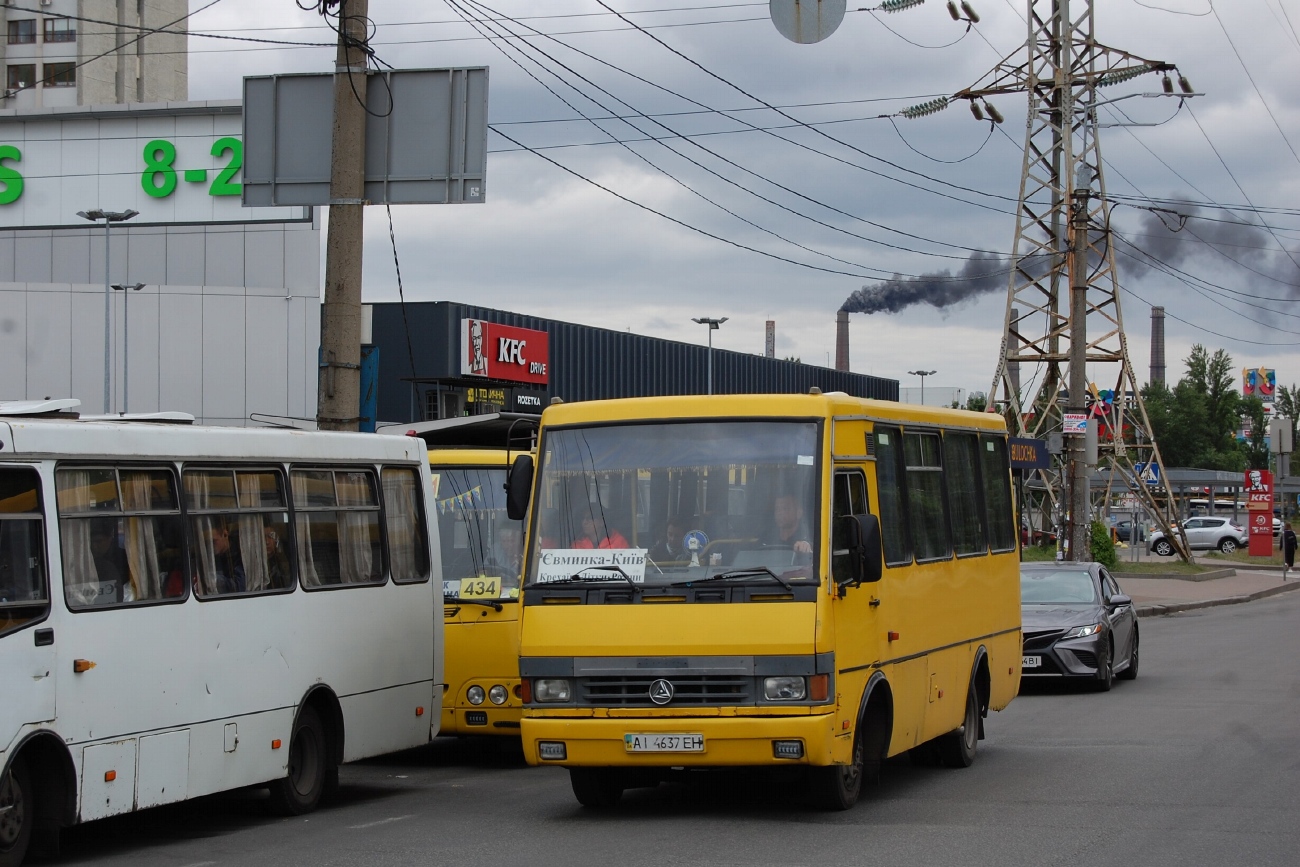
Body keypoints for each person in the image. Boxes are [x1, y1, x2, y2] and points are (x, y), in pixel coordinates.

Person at [210, 523, 246, 594]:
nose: (210, 546)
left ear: (225, 534)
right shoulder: (212, 556)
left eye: (214, 541)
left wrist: (213, 579)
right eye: (207, 542)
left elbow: (240, 586)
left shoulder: (239, 554)